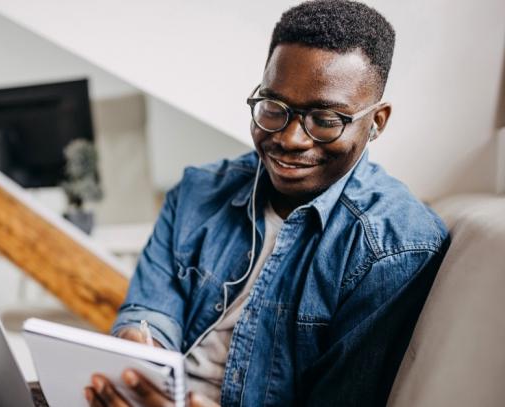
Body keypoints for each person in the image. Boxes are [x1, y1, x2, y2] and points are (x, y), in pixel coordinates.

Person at [84, 1, 450, 406]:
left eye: (325, 119)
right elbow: (150, 306)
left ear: (376, 122)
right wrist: (138, 343)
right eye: (274, 108)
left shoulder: (393, 248)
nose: (290, 139)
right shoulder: (197, 191)